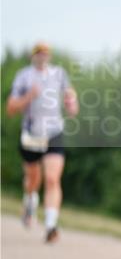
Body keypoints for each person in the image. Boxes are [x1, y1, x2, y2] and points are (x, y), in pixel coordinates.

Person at [6, 42, 78, 243]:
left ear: (50, 56)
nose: (42, 57)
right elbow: (10, 108)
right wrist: (29, 96)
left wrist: (71, 103)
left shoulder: (59, 74)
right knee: (33, 178)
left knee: (53, 179)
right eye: (39, 53)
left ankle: (50, 225)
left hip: (54, 132)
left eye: (46, 53)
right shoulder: (24, 76)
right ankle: (30, 200)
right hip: (31, 134)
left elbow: (70, 95)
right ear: (33, 56)